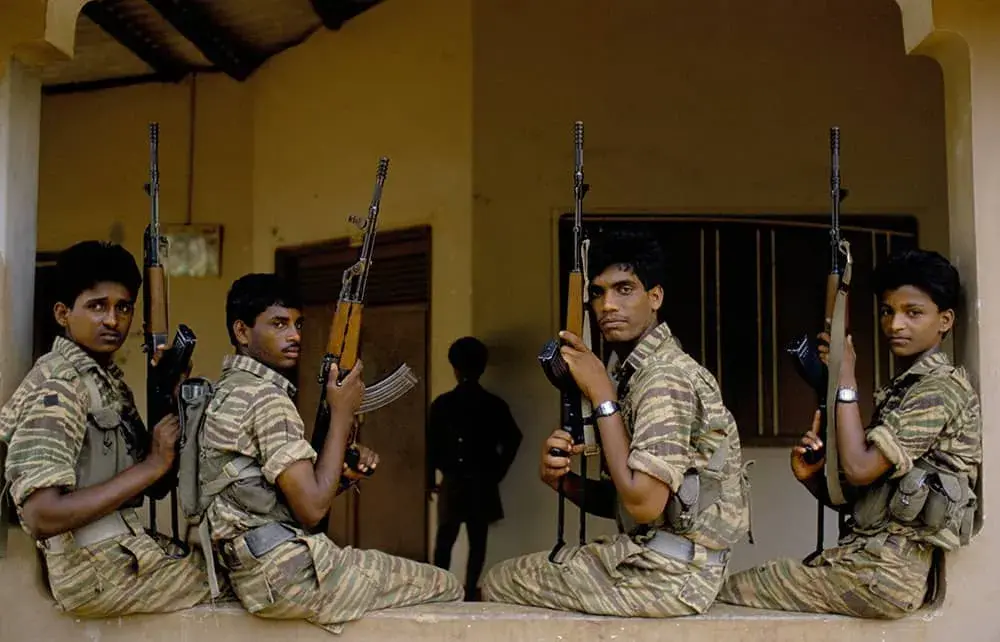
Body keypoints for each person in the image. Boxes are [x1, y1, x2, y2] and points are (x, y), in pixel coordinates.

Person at [481, 229, 751, 617]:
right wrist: (565, 482)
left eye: (625, 289)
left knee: (500, 580)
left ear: (654, 297)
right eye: (598, 292)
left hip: (667, 578)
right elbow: (629, 501)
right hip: (660, 561)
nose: (608, 304)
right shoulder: (636, 374)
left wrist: (602, 396)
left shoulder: (662, 378)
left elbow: (644, 503)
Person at [718, 249, 982, 618]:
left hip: (884, 575)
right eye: (888, 311)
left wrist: (845, 381)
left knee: (727, 591)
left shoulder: (939, 391)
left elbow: (859, 468)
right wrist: (813, 479)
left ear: (946, 320)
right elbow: (865, 500)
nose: (895, 325)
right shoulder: (906, 390)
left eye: (913, 312)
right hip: (867, 565)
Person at [199, 273, 462, 635]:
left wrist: (341, 473)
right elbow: (311, 509)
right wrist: (341, 413)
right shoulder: (266, 399)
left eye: (297, 324)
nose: (294, 336)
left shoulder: (230, 390)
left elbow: (270, 496)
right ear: (242, 332)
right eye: (279, 324)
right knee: (446, 586)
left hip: (254, 568)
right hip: (287, 575)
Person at [0, 240, 213, 616]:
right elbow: (41, 516)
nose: (113, 320)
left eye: (124, 307)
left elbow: (157, 482)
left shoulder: (106, 383)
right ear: (63, 313)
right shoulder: (59, 387)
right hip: (92, 572)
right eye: (97, 306)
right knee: (232, 581)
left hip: (119, 551)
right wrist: (150, 465)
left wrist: (171, 394)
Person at [429, 336, 523, 601]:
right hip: (481, 481)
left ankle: (438, 589)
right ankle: (470, 591)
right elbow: (514, 438)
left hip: (455, 480)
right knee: (476, 540)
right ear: (481, 368)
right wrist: (497, 472)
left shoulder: (443, 403)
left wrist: (430, 476)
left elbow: (431, 445)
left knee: (445, 539)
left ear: (455, 368)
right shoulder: (493, 404)